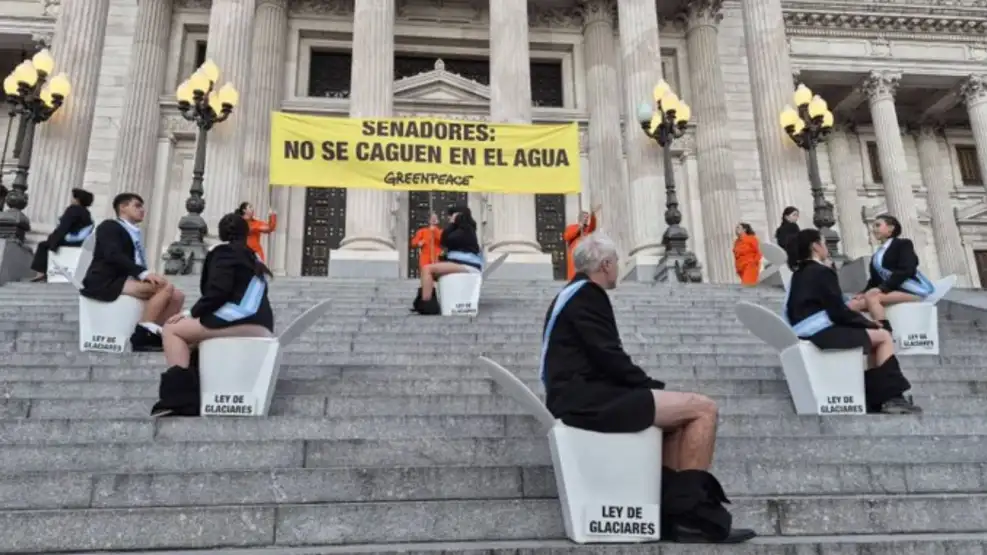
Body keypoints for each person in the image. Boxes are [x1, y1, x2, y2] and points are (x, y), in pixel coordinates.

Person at [540, 231, 756, 543]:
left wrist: (649, 390)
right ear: (604, 265)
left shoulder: (573, 293)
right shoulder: (589, 295)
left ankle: (673, 516)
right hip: (585, 400)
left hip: (580, 394)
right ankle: (694, 515)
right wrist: (650, 386)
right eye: (614, 262)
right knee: (702, 409)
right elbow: (608, 355)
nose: (617, 268)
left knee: (675, 422)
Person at [151, 213, 276, 417]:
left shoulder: (224, 252)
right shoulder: (253, 256)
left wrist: (190, 312)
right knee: (190, 341)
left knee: (172, 330)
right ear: (246, 233)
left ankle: (180, 399)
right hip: (260, 323)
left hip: (239, 321)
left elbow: (219, 291)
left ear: (221, 233)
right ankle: (199, 390)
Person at [785, 228, 921, 414]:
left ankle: (879, 398)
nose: (827, 247)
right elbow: (838, 313)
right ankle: (892, 397)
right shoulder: (823, 272)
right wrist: (869, 323)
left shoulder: (799, 274)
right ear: (816, 246)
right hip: (822, 333)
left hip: (807, 331)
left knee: (874, 340)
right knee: (883, 337)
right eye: (824, 243)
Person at [80, 193, 185, 352]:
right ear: (122, 207)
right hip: (107, 280)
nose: (142, 210)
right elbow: (112, 254)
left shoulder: (134, 231)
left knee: (178, 295)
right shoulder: (109, 226)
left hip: (128, 279)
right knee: (164, 288)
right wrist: (143, 273)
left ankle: (158, 334)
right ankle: (142, 335)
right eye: (137, 205)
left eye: (142, 206)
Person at [847, 214, 935, 332]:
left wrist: (882, 288)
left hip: (911, 290)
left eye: (878, 225)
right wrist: (862, 293)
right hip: (889, 292)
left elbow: (907, 269)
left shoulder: (903, 244)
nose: (874, 229)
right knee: (852, 305)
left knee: (873, 296)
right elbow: (874, 281)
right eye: (873, 226)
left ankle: (885, 331)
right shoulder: (877, 255)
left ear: (891, 228)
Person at [412, 203, 482, 315]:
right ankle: (428, 300)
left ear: (459, 215)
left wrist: (449, 225)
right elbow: (446, 241)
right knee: (429, 275)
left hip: (467, 266)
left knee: (427, 269)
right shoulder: (463, 229)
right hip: (462, 265)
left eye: (451, 214)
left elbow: (446, 240)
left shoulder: (465, 230)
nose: (449, 217)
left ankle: (426, 305)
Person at [30, 187, 94, 282]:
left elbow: (64, 227)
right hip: (80, 242)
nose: (71, 199)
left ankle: (41, 273)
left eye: (73, 197)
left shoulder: (73, 210)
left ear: (77, 199)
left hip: (68, 241)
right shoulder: (87, 213)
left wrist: (53, 242)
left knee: (43, 246)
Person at [563, 207, 598, 281]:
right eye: (585, 217)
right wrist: (579, 228)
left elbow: (593, 227)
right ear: (580, 218)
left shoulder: (587, 229)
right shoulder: (571, 227)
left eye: (587, 218)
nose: (586, 219)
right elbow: (567, 236)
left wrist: (593, 215)